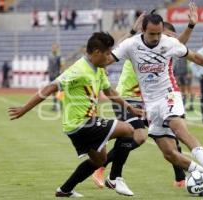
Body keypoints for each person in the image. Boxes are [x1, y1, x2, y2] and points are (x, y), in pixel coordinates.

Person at [106, 11, 203, 196]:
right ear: (142, 30)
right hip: (150, 104)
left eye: (159, 34)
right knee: (169, 153)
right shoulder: (131, 45)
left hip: (169, 94)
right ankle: (202, 174)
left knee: (178, 127)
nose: (156, 38)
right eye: (152, 34)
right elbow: (107, 59)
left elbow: (196, 58)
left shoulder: (169, 43)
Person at [8, 32, 143, 198]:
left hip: (78, 126)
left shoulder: (99, 69)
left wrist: (129, 107)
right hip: (82, 124)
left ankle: (64, 190)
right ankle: (115, 177)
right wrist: (24, 109)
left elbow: (110, 91)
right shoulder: (78, 70)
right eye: (107, 53)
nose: (109, 58)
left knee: (99, 161)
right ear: (96, 52)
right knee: (128, 130)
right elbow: (50, 87)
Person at [92, 5, 199, 194]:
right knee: (137, 136)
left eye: (164, 37)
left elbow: (179, 45)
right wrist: (132, 31)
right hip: (127, 97)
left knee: (170, 136)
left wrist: (190, 26)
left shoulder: (163, 47)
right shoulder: (136, 46)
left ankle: (180, 179)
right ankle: (102, 167)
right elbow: (116, 51)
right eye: (157, 35)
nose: (161, 40)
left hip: (149, 101)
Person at [48, 43, 62, 111]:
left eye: (55, 48)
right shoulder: (49, 56)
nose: (54, 49)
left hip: (57, 76)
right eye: (53, 47)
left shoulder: (59, 56)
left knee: (59, 90)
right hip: (51, 76)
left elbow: (61, 66)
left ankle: (61, 104)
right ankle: (55, 105)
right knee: (52, 91)